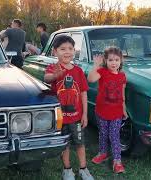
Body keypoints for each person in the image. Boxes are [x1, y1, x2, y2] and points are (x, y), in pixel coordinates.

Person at [44, 35, 94, 180]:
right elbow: (46, 78)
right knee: (64, 144)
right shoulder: (52, 68)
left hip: (76, 117)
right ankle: (67, 169)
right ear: (55, 52)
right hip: (60, 118)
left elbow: (84, 93)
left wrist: (85, 114)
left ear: (74, 51)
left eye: (70, 49)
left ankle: (83, 169)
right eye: (62, 49)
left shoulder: (78, 71)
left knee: (80, 143)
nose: (67, 52)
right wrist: (55, 76)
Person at [88, 47, 127, 174]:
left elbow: (122, 94)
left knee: (114, 136)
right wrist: (95, 65)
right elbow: (91, 79)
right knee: (103, 133)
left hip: (116, 113)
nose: (113, 63)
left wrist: (124, 109)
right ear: (106, 60)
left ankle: (117, 161)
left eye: (116, 60)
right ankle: (103, 153)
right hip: (101, 111)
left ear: (121, 61)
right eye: (110, 60)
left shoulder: (122, 76)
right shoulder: (102, 72)